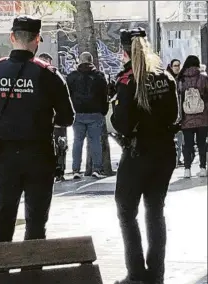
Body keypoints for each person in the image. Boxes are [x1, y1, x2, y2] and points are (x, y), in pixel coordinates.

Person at [0, 15, 75, 243]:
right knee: (36, 220)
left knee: (3, 217)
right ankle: (32, 274)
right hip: (39, 154)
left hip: (4, 155)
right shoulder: (48, 74)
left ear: (12, 37)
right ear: (37, 39)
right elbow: (68, 117)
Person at [111, 27, 178, 284]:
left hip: (138, 153)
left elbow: (122, 124)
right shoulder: (165, 76)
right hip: (164, 152)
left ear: (123, 50)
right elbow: (173, 115)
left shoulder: (127, 79)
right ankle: (156, 274)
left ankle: (136, 273)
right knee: (155, 211)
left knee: (127, 212)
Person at [67, 52, 109, 179]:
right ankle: (97, 169)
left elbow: (67, 94)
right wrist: (103, 111)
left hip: (77, 113)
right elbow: (105, 95)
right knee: (95, 141)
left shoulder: (72, 77)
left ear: (80, 61)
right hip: (95, 113)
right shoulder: (99, 76)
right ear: (92, 61)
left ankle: (75, 170)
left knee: (77, 141)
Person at [38, 53, 68, 182]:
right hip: (47, 120)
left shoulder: (56, 77)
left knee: (61, 145)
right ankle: (54, 170)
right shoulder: (41, 77)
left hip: (56, 119)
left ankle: (60, 170)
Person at [177, 55, 208, 178]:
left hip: (186, 118)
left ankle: (187, 169)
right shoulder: (204, 77)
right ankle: (203, 168)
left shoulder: (181, 79)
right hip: (203, 117)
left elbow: (178, 98)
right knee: (202, 144)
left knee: (188, 144)